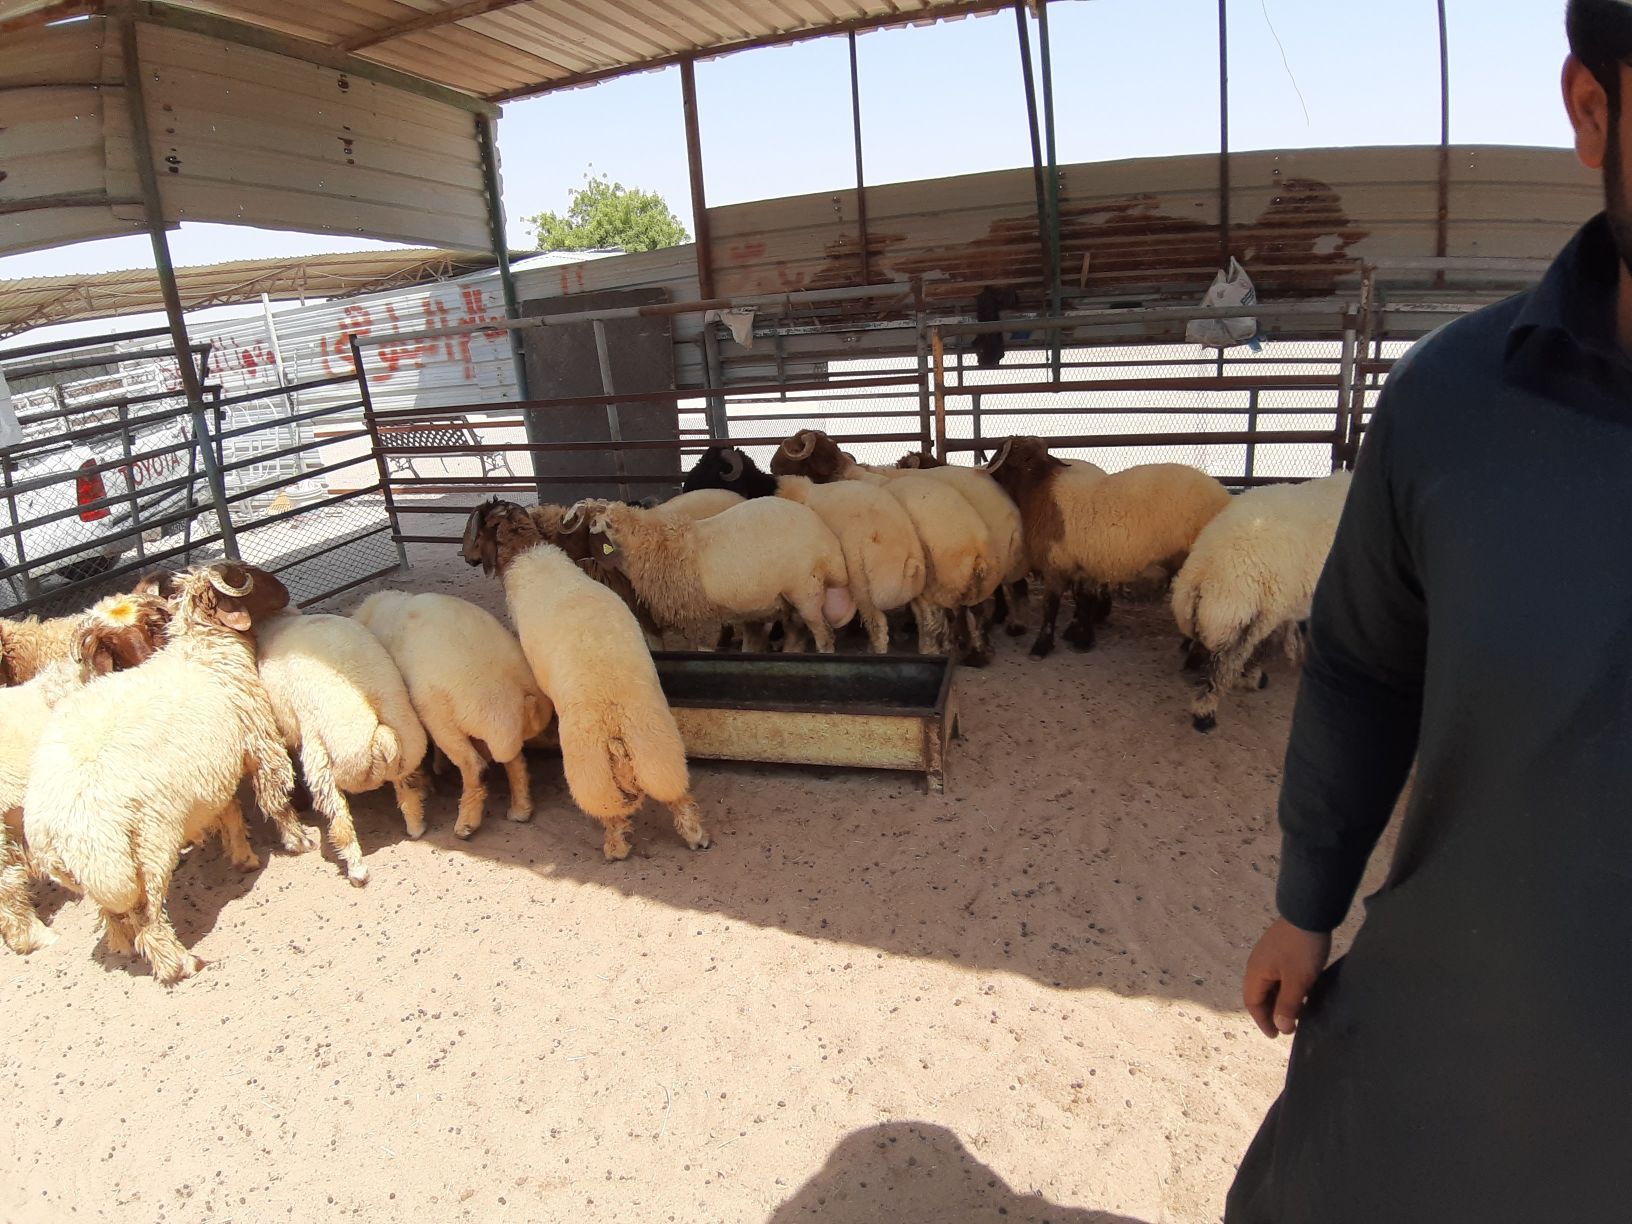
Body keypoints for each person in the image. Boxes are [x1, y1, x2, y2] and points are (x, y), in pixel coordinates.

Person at [1225, 3, 1632, 1220]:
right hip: (1463, 1050)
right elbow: (1362, 665)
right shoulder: (1455, 407)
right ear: (1594, 110)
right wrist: (1306, 902)